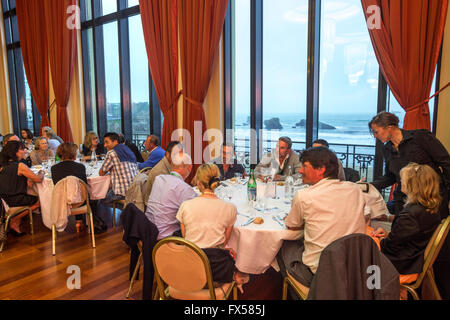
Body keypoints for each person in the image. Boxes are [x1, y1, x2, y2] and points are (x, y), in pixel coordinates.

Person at [369, 111, 450, 299]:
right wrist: (368, 186)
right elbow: (390, 177)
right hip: (405, 200)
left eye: (376, 131)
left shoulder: (421, 138)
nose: (375, 136)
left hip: (432, 198)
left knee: (425, 244)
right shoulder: (388, 149)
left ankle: (418, 282)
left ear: (389, 127)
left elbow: (446, 164)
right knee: (406, 237)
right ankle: (403, 290)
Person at [276, 147, 367, 288]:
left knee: (284, 243)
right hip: (355, 268)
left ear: (320, 169)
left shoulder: (305, 196)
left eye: (304, 166)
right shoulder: (355, 190)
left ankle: (298, 293)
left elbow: (292, 226)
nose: (300, 171)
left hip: (320, 274)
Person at [372, 163, 442, 299]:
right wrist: (388, 235)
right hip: (413, 257)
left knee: (362, 252)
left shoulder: (411, 215)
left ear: (412, 185)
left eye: (402, 179)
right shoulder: (429, 209)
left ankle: (372, 292)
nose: (400, 182)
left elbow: (390, 247)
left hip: (404, 265)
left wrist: (381, 239)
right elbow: (407, 237)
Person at [145, 152, 196, 240]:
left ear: (171, 165)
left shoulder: (159, 179)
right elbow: (194, 216)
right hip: (166, 238)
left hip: (147, 231)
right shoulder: (185, 189)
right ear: (190, 167)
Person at [0, 141, 44, 236]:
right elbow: (38, 179)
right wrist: (42, 172)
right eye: (22, 149)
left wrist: (26, 179)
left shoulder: (3, 165)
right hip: (15, 199)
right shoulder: (20, 166)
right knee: (40, 201)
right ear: (14, 152)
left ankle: (15, 223)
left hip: (4, 198)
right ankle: (14, 220)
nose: (25, 151)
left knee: (30, 192)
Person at [51, 143, 88, 232]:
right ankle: (81, 221)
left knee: (70, 191)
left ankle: (79, 221)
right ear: (73, 154)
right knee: (83, 193)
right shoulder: (80, 167)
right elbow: (84, 185)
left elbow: (56, 186)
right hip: (80, 202)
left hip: (61, 202)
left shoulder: (54, 168)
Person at [99, 132, 138, 205]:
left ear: (115, 141)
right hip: (136, 189)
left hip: (123, 192)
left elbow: (101, 173)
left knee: (100, 199)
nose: (105, 145)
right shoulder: (128, 150)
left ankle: (102, 216)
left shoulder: (111, 153)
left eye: (107, 142)